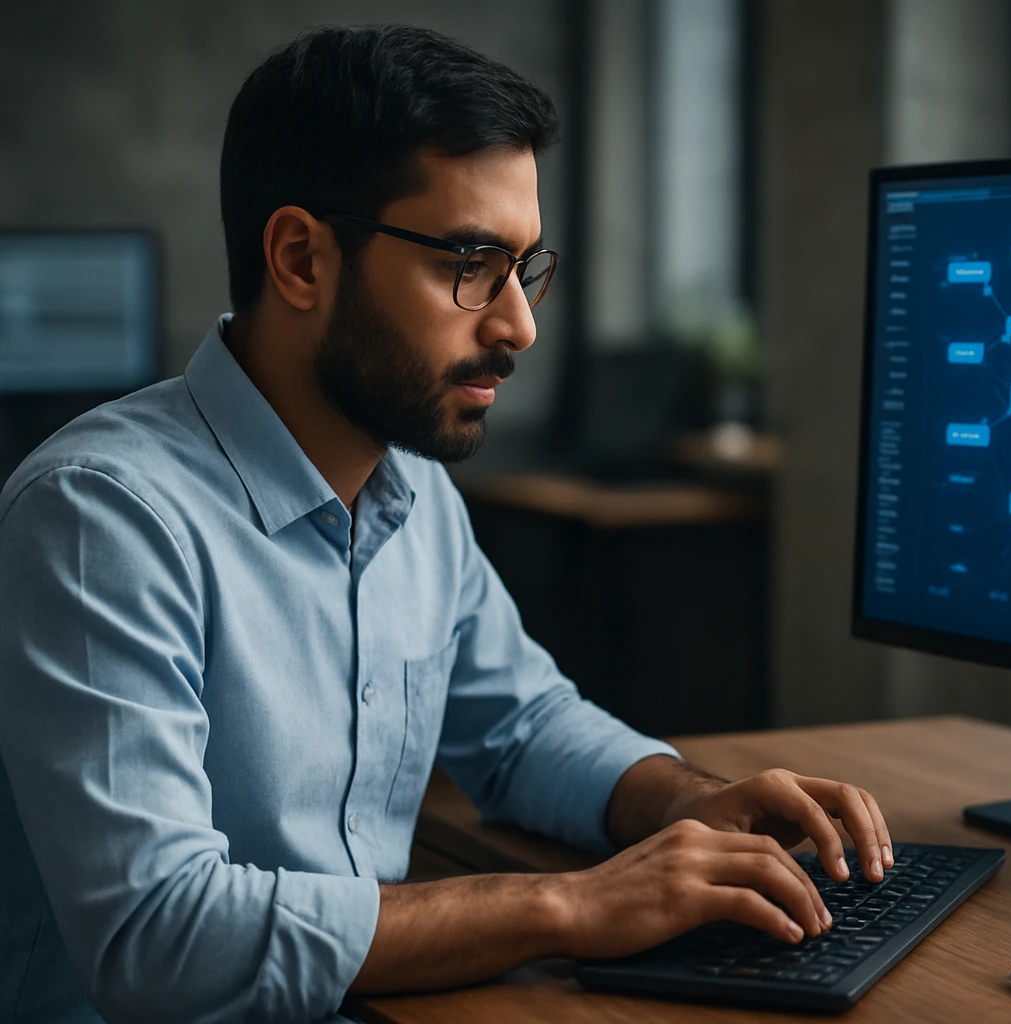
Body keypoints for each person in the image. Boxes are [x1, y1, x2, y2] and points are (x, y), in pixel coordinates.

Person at [0, 25, 891, 1023]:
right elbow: (159, 935)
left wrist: (683, 802)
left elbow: (520, 727)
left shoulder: (415, 494)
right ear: (302, 258)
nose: (519, 325)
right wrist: (571, 904)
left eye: (522, 266)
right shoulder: (99, 517)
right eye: (470, 262)